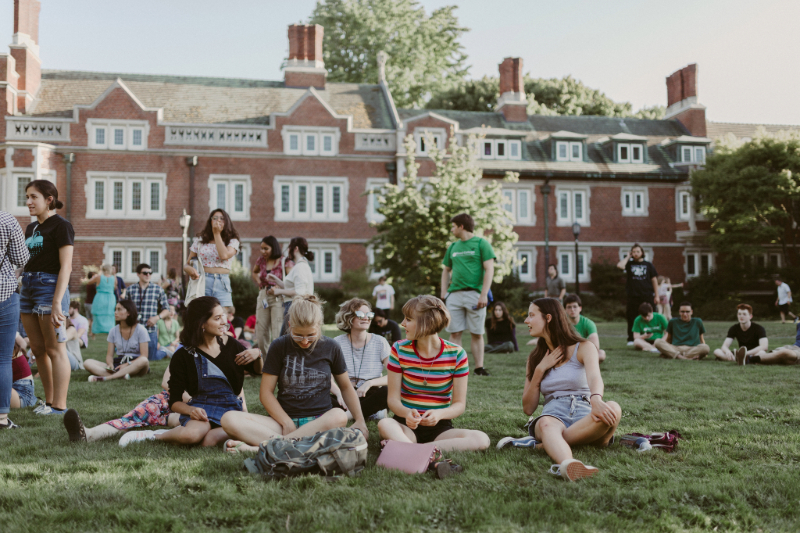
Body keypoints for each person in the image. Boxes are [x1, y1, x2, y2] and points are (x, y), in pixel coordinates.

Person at [220, 295, 368, 454]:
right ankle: (294, 444)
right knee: (229, 419)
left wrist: (360, 420)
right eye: (298, 335)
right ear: (289, 325)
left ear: (319, 326)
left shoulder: (331, 347)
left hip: (320, 422)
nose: (304, 341)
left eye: (311, 335)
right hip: (282, 422)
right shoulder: (278, 346)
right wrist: (286, 422)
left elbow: (346, 387)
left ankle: (265, 448)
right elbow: (266, 393)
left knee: (339, 416)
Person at [496, 298, 621, 482]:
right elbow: (528, 408)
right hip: (553, 415)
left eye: (531, 315)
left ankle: (543, 445)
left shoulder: (584, 347)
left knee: (614, 408)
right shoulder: (535, 358)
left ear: (548, 318)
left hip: (585, 412)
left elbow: (595, 377)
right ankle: (568, 464)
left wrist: (596, 399)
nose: (526, 320)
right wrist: (539, 370)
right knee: (547, 425)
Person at [118, 296, 262, 447]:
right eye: (217, 318)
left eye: (223, 316)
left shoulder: (232, 345)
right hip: (201, 409)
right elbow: (174, 402)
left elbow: (257, 371)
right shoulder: (183, 355)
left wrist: (257, 355)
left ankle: (212, 432)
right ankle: (155, 436)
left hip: (231, 412)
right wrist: (191, 410)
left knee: (208, 441)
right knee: (191, 435)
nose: (224, 322)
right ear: (202, 323)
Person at [377, 295, 490, 453]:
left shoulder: (457, 354)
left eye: (408, 319)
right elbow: (393, 400)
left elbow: (459, 404)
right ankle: (422, 451)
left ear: (426, 322)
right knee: (385, 424)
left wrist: (440, 414)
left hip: (440, 428)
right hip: (405, 425)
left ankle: (412, 450)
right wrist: (407, 413)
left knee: (481, 439)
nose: (402, 324)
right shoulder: (399, 349)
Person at [20, 179, 74, 416]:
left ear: (49, 199)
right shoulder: (31, 228)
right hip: (28, 287)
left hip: (49, 288)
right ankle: (49, 402)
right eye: (27, 197)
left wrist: (57, 302)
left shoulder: (62, 226)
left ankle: (60, 406)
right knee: (38, 349)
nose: (28, 202)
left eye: (34, 197)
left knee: (55, 349)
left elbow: (66, 267)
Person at [63, 367, 188, 443]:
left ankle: (170, 426)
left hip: (194, 407)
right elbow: (167, 381)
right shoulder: (184, 349)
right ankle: (89, 434)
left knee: (184, 420)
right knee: (137, 415)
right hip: (168, 399)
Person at [441, 213, 496, 377]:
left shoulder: (481, 243)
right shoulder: (453, 246)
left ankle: (479, 368)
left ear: (461, 226)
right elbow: (446, 270)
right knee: (454, 332)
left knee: (477, 333)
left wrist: (483, 294)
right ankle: (453, 368)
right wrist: (444, 293)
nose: (452, 230)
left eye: (453, 227)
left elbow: (489, 269)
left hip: (475, 295)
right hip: (454, 295)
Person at [331, 298, 391, 419]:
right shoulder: (336, 343)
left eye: (369, 314)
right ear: (348, 317)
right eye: (360, 314)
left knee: (387, 392)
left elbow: (393, 376)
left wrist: (370, 383)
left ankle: (346, 415)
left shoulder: (380, 342)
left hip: (370, 394)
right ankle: (370, 413)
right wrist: (338, 393)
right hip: (346, 394)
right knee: (319, 394)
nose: (366, 318)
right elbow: (327, 377)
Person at [0, 210, 29, 428]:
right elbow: (21, 258)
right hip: (5, 296)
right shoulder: (6, 219)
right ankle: (1, 419)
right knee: (2, 359)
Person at [185, 209, 240, 307]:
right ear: (210, 222)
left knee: (223, 314)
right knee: (202, 313)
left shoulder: (232, 241)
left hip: (222, 283)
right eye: (215, 218)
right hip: (202, 281)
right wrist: (189, 269)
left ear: (226, 222)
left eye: (222, 218)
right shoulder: (200, 240)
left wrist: (216, 233)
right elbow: (187, 264)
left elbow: (224, 255)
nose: (218, 220)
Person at [84, 300, 150, 381]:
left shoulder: (141, 329)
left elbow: (144, 355)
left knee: (144, 360)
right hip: (119, 363)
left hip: (136, 363)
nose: (115, 312)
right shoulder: (113, 331)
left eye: (119, 309)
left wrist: (127, 364)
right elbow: (109, 355)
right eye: (115, 309)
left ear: (129, 312)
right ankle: (122, 375)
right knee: (87, 362)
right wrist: (110, 364)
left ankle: (108, 377)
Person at [252, 236, 293, 352]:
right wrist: (259, 282)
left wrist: (278, 286)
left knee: (277, 331)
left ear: (273, 248)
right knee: (261, 332)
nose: (263, 251)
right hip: (263, 296)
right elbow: (255, 273)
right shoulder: (261, 260)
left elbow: (290, 282)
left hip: (278, 298)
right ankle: (265, 361)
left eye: (266, 249)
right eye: (261, 248)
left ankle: (277, 360)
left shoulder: (285, 261)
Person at [269, 237, 314, 336]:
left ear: (296, 248)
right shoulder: (300, 266)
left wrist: (278, 292)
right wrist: (276, 280)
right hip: (294, 307)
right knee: (286, 339)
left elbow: (299, 292)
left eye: (289, 247)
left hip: (294, 307)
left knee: (283, 340)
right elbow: (293, 287)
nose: (288, 250)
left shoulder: (300, 267)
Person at [125, 263, 169, 361]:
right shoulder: (130, 290)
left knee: (151, 358)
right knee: (133, 357)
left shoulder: (158, 290)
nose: (148, 275)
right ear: (138, 274)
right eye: (145, 273)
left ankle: (164, 351)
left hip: (150, 330)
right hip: (134, 330)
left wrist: (157, 318)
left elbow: (167, 309)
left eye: (150, 273)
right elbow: (125, 309)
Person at [617, 244, 658, 346]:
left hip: (647, 295)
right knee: (632, 316)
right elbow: (620, 266)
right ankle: (631, 339)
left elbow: (654, 280)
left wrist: (656, 295)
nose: (635, 254)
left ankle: (652, 337)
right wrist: (628, 257)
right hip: (633, 296)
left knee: (650, 316)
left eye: (638, 251)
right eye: (634, 252)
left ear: (642, 253)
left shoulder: (648, 265)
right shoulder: (629, 264)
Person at [563, 295, 606, 362]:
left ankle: (583, 363)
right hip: (567, 353)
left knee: (601, 354)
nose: (572, 309)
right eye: (569, 307)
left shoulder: (588, 323)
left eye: (575, 306)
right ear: (565, 309)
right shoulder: (562, 324)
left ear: (580, 308)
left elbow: (596, 347)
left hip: (582, 352)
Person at [736, 322, 800, 366]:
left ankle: (749, 359)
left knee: (785, 353)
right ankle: (745, 358)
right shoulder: (799, 325)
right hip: (793, 346)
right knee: (773, 353)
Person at [87, 264, 116, 334]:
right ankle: (109, 330)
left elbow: (89, 282)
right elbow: (114, 287)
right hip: (110, 298)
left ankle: (94, 332)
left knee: (98, 313)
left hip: (100, 297)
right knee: (109, 314)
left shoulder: (98, 277)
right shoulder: (114, 278)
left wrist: (94, 276)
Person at [84, 271, 96, 339]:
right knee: (92, 319)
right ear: (92, 276)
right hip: (91, 304)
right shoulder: (93, 285)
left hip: (86, 303)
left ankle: (87, 332)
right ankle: (91, 333)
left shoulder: (88, 284)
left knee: (89, 319)